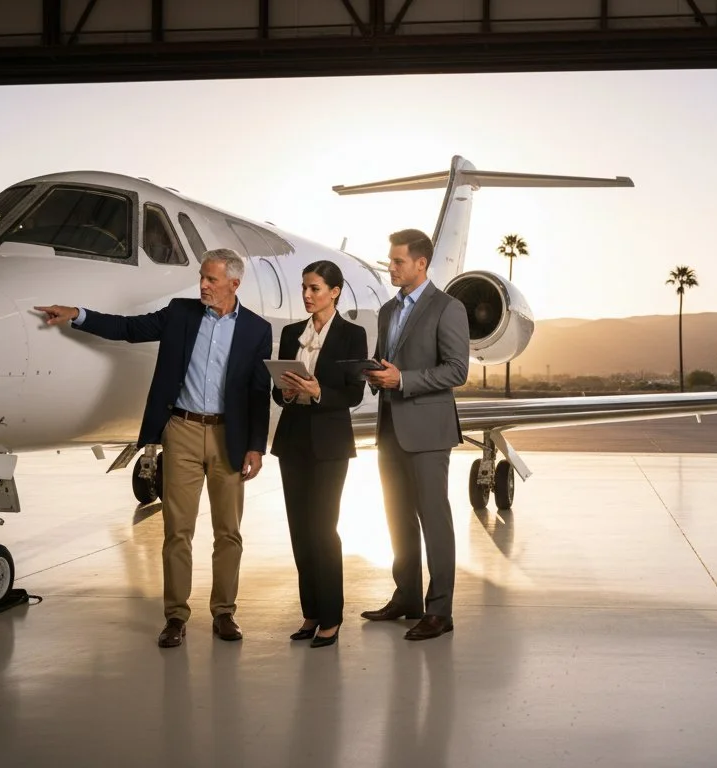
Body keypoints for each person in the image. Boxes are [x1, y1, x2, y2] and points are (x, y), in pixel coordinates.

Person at [34, 248, 272, 649]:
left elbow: (258, 392)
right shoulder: (180, 313)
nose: (203, 285)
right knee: (177, 531)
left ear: (234, 283)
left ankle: (224, 612)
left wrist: (255, 446)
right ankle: (176, 616)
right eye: (202, 277)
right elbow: (129, 328)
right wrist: (78, 315)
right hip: (180, 430)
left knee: (228, 532)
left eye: (212, 280)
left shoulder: (256, 328)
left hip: (228, 436)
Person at [361, 229, 470, 641]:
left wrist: (402, 379)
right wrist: (374, 375)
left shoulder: (448, 308)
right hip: (390, 427)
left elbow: (457, 370)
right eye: (390, 261)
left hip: (427, 430)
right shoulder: (388, 310)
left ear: (421, 264)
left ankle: (440, 611)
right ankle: (407, 596)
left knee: (433, 519)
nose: (390, 267)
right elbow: (386, 362)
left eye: (398, 262)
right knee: (397, 517)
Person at [270, 260, 369, 649]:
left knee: (323, 530)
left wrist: (319, 393)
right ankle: (310, 612)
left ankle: (331, 617)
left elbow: (355, 394)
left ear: (335, 292)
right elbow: (279, 391)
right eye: (305, 288)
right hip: (292, 441)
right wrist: (289, 392)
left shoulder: (352, 335)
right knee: (299, 531)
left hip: (330, 445)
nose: (307, 295)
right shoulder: (292, 332)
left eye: (314, 289)